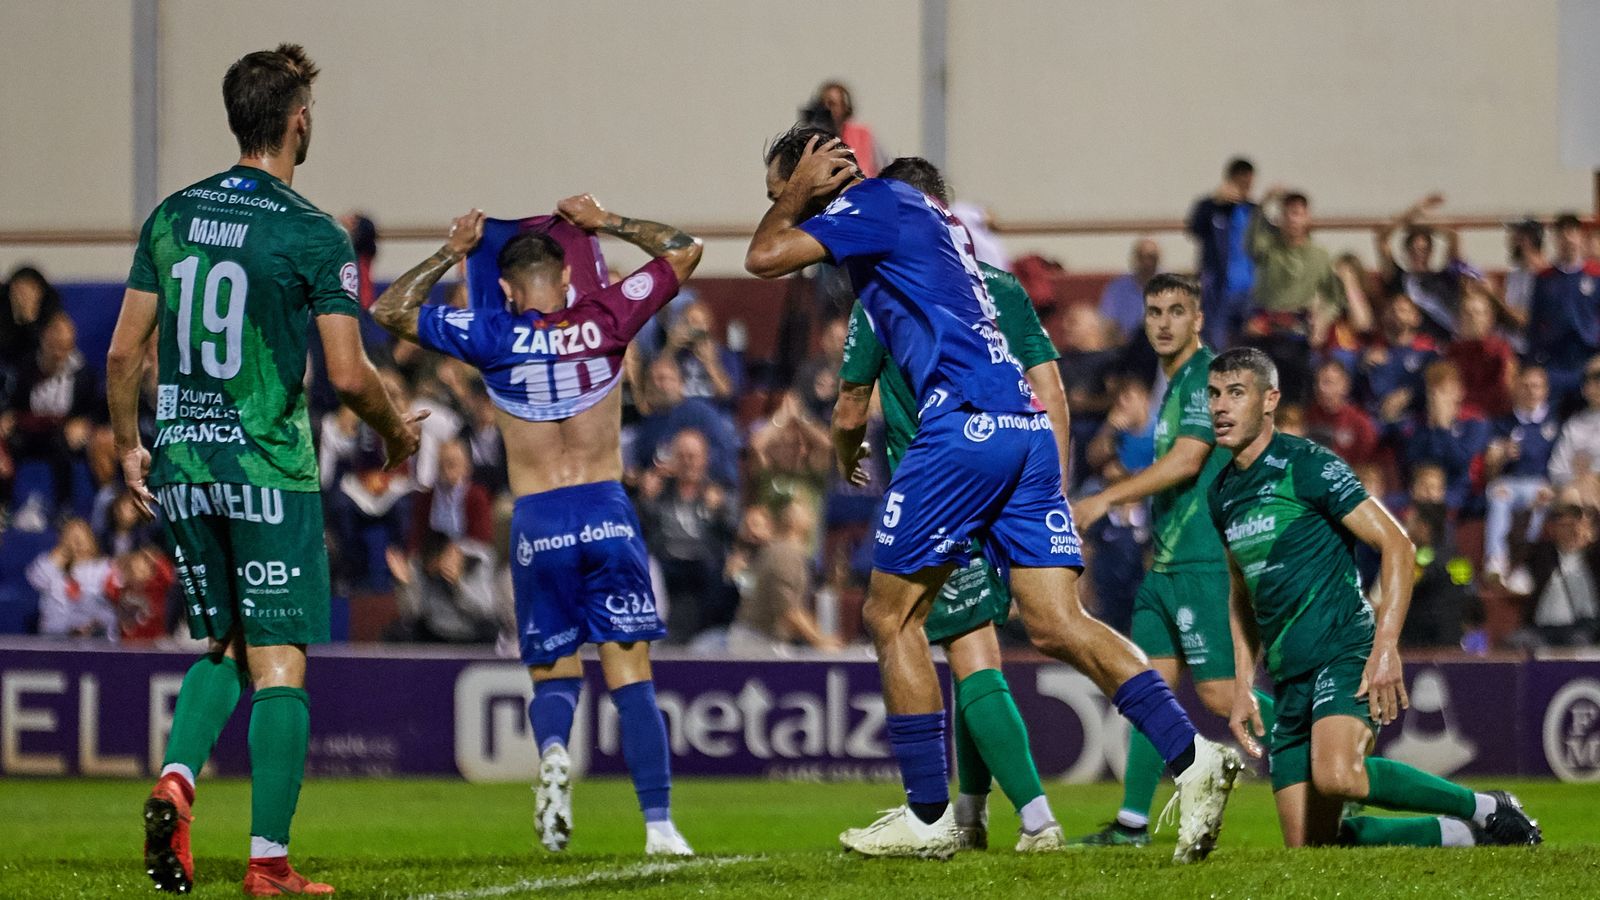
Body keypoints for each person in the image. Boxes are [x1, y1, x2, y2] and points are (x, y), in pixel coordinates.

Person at [746, 126, 1240, 863]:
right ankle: (1193, 756)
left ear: (818, 175)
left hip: (961, 427)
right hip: (1023, 426)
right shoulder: (928, 228)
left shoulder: (876, 202)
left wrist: (794, 193)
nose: (780, 204)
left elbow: (762, 257)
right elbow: (1044, 384)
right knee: (1056, 622)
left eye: (782, 187)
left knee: (890, 615)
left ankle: (928, 816)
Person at [107, 44, 424, 896]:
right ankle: (268, 864)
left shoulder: (173, 215)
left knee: (225, 642)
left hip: (181, 459)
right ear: (297, 121)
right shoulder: (314, 233)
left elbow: (123, 353)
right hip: (265, 467)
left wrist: (130, 444)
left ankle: (177, 780)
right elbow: (349, 374)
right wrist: (397, 434)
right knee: (279, 660)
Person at [372, 192, 703, 857]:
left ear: (504, 288)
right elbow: (685, 251)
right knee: (631, 676)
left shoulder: (490, 333)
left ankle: (554, 753)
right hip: (604, 508)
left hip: (538, 518)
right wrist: (607, 222)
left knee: (554, 672)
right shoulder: (608, 314)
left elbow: (389, 311)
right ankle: (660, 827)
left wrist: (450, 252)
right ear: (570, 277)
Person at [1206, 347, 1541, 849]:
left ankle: (1486, 807)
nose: (1220, 406)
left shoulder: (1309, 465)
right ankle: (1462, 835)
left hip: (1343, 651)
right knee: (1312, 848)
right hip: (1288, 673)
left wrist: (1385, 648)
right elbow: (1241, 592)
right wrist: (1243, 686)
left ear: (1270, 400)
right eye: (1214, 394)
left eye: (1236, 393)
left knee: (1338, 775)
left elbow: (1397, 546)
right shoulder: (1222, 494)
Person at [833, 156, 1071, 852]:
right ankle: (969, 812)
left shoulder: (888, 290)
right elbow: (1051, 392)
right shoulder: (999, 287)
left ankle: (1035, 819)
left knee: (969, 651)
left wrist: (845, 456)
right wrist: (1048, 492)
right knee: (972, 640)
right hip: (1015, 477)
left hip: (939, 484)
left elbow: (850, 405)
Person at [1067, 274, 1279, 848]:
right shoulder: (1173, 383)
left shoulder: (1207, 378)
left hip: (1202, 561)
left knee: (1220, 696)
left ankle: (1327, 738)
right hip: (1165, 563)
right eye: (1154, 311)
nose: (1163, 323)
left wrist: (1106, 497)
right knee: (1148, 692)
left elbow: (1188, 460)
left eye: (1176, 311)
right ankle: (1132, 824)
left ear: (1198, 319)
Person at [728, 498, 841, 652]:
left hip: (757, 640)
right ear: (797, 523)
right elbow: (788, 610)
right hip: (758, 643)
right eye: (808, 514)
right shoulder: (786, 555)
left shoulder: (776, 550)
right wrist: (820, 641)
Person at [1528, 214, 1600, 411]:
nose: (1568, 240)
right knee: (1552, 414)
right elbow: (1535, 321)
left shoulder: (1595, 275)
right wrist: (1532, 361)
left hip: (1589, 355)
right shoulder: (1545, 278)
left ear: (1580, 237)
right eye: (1562, 235)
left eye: (1572, 233)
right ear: (1555, 239)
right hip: (1555, 359)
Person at [1186, 157, 1258, 347]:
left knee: (1248, 345)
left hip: (1250, 290)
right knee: (1216, 342)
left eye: (1248, 185)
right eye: (1241, 184)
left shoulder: (1253, 210)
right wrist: (1215, 202)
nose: (1245, 190)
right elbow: (1194, 229)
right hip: (1220, 289)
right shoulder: (1211, 208)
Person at [1374, 193, 1464, 340]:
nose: (1419, 254)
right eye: (1414, 250)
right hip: (1409, 344)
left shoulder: (1444, 277)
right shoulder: (1398, 277)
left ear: (1431, 251)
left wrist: (1426, 221)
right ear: (1406, 251)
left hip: (1442, 343)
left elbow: (1453, 237)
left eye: (1424, 249)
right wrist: (1415, 210)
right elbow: (1382, 238)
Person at [1099, 238, 1161, 340]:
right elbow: (1107, 320)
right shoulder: (1118, 287)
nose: (1147, 262)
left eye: (1152, 257)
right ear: (1135, 259)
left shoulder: (1170, 287)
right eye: (1142, 257)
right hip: (1124, 344)